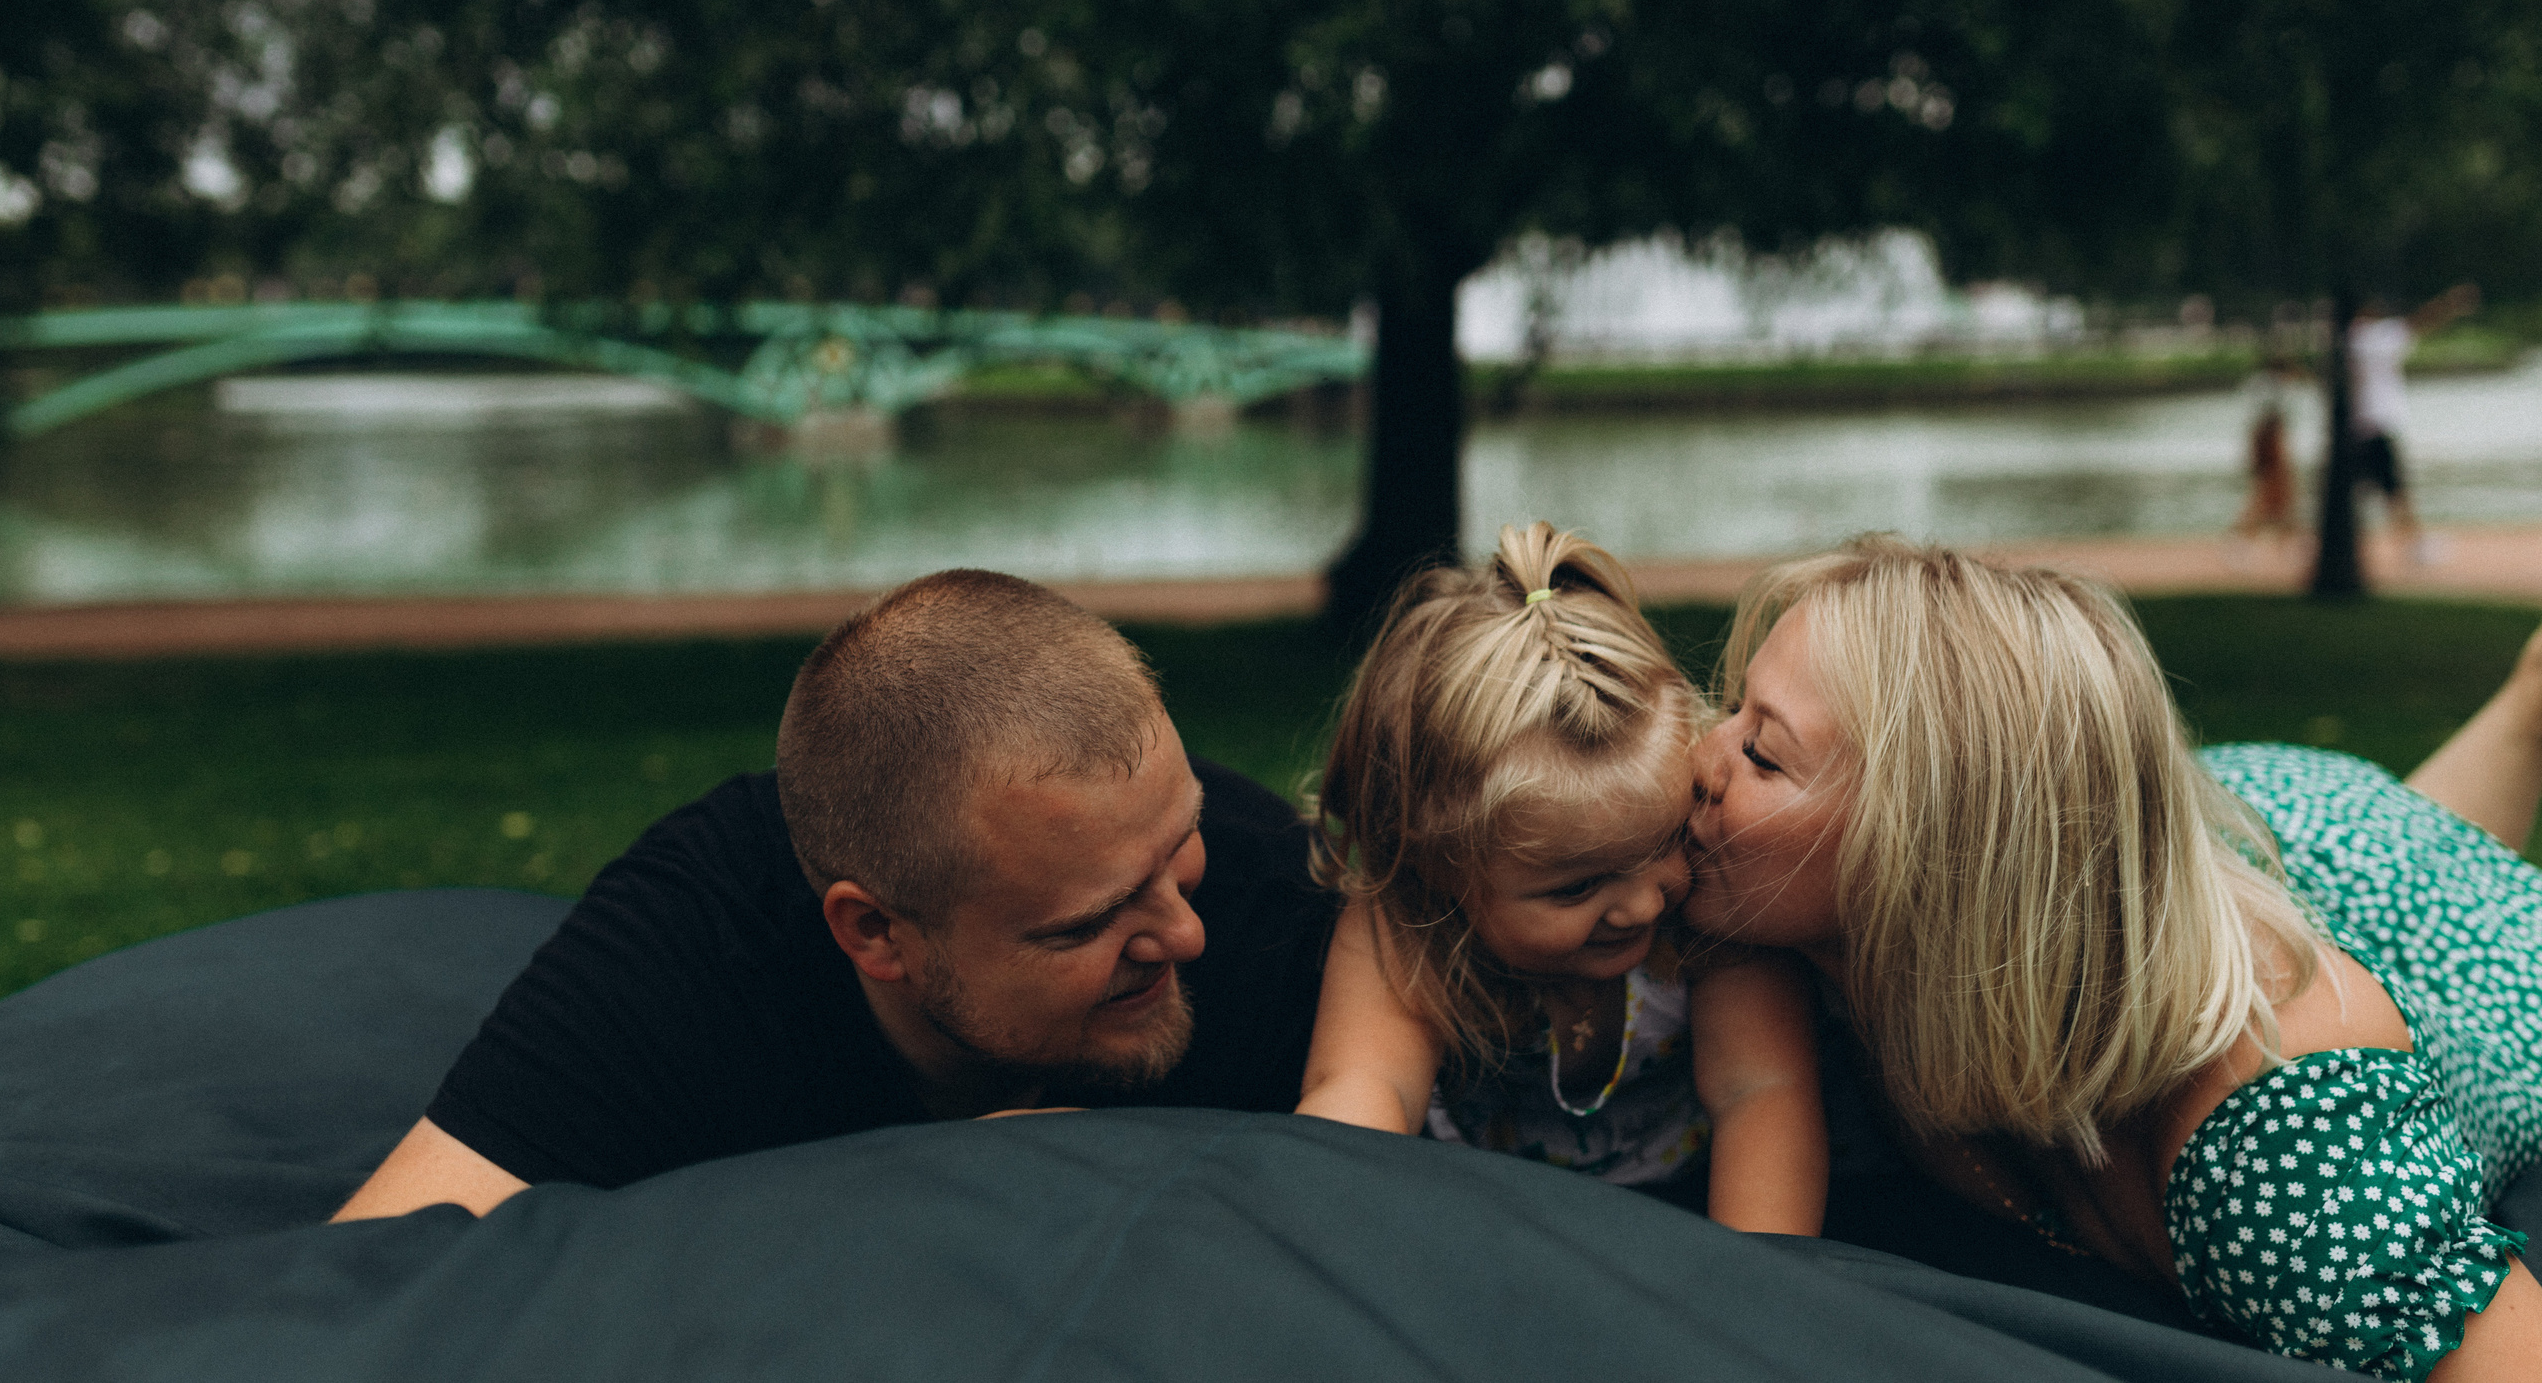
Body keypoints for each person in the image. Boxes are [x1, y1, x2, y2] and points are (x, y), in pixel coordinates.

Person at [1683, 535, 2542, 1378]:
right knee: (2379, 847)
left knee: (2418, 859)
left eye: (1761, 752)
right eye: (1731, 712)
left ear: (1938, 860)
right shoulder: (1831, 934)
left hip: (2443, 928)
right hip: (2236, 832)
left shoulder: (2284, 1143)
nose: (1698, 760)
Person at [333, 569, 1338, 1221]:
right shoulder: (697, 943)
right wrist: (909, 1193)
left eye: (1178, 846)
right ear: (872, 931)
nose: (1184, 931)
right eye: (1087, 923)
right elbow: (382, 1274)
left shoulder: (1270, 901)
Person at [1293, 523, 1827, 1236]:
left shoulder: (1711, 910)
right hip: (1491, 1232)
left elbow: (1760, 1092)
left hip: (1696, 1221)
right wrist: (1316, 1237)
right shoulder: (1407, 926)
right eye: (1576, 887)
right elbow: (1361, 1090)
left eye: (1666, 838)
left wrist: (1756, 1284)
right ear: (1439, 865)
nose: (1644, 902)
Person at [2348, 284, 2479, 564]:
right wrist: (2450, 303)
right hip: (2377, 426)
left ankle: (2406, 545)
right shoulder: (2372, 338)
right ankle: (2415, 547)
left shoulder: (2345, 341)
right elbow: (2419, 322)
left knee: (2361, 493)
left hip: (2355, 428)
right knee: (2395, 492)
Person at [2228, 351, 2303, 557]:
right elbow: (2271, 422)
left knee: (2281, 496)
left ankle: (2286, 542)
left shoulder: (2259, 384)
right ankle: (2244, 542)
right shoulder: (2275, 388)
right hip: (2270, 445)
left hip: (2266, 443)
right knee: (2268, 495)